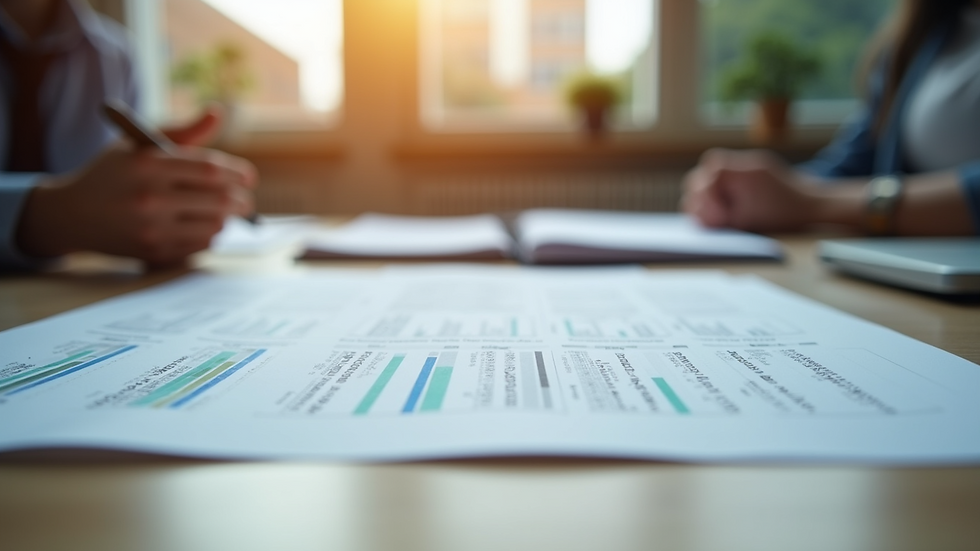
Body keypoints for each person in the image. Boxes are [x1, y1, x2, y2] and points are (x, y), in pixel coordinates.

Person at [682, 0, 980, 237]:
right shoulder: (920, 37)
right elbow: (851, 167)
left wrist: (810, 204)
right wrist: (760, 192)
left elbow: (819, 199)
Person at [0, 0, 256, 269]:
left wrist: (158, 195)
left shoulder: (116, 54)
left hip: (80, 284)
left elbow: (123, 185)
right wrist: (55, 214)